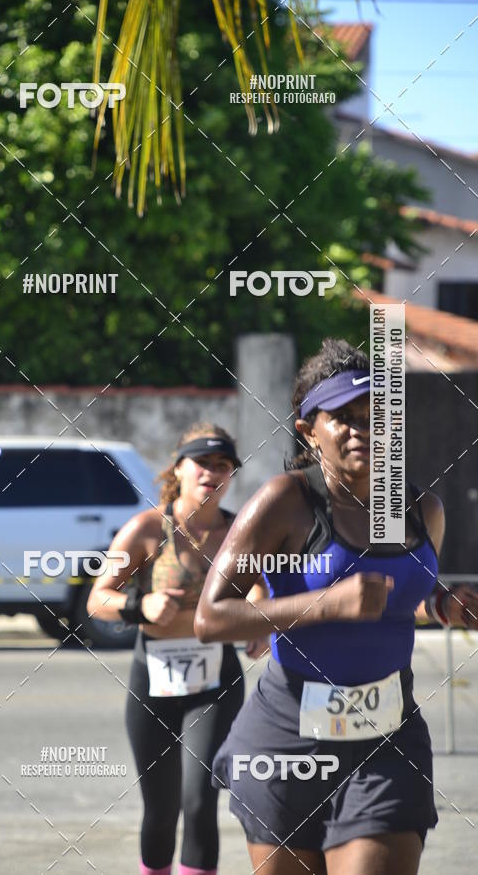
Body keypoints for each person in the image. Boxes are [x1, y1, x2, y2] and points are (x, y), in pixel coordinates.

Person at [194, 338, 478, 875]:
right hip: (287, 738)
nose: (362, 429)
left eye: (374, 416)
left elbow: (399, 602)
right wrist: (326, 603)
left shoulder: (421, 511)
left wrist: (447, 606)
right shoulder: (287, 502)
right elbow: (212, 617)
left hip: (387, 736)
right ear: (308, 429)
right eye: (343, 417)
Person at [87, 423, 266, 875]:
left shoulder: (240, 531)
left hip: (216, 679)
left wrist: (260, 624)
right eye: (203, 463)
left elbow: (261, 589)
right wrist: (139, 605)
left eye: (223, 466)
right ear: (179, 469)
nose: (213, 472)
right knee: (161, 807)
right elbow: (97, 599)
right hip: (154, 676)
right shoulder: (148, 528)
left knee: (200, 798)